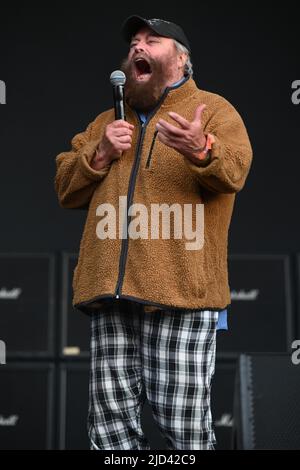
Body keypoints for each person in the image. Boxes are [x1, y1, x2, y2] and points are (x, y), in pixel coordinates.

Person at [54, 15, 253, 450]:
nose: (137, 47)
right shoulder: (105, 121)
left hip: (182, 295)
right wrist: (99, 152)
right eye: (134, 42)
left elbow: (235, 171)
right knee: (109, 433)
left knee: (185, 432)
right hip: (110, 293)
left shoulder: (214, 111)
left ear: (181, 60)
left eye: (152, 40)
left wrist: (203, 150)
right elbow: (65, 189)